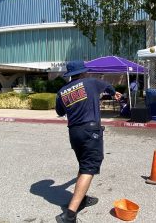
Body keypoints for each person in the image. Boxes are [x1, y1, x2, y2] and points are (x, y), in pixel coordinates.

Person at [55, 60, 121, 223]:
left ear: (70, 75)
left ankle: (81, 199)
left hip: (74, 132)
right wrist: (115, 93)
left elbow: (59, 111)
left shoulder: (62, 92)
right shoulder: (91, 82)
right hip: (90, 131)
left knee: (84, 165)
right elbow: (107, 86)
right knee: (89, 167)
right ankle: (70, 215)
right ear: (83, 72)